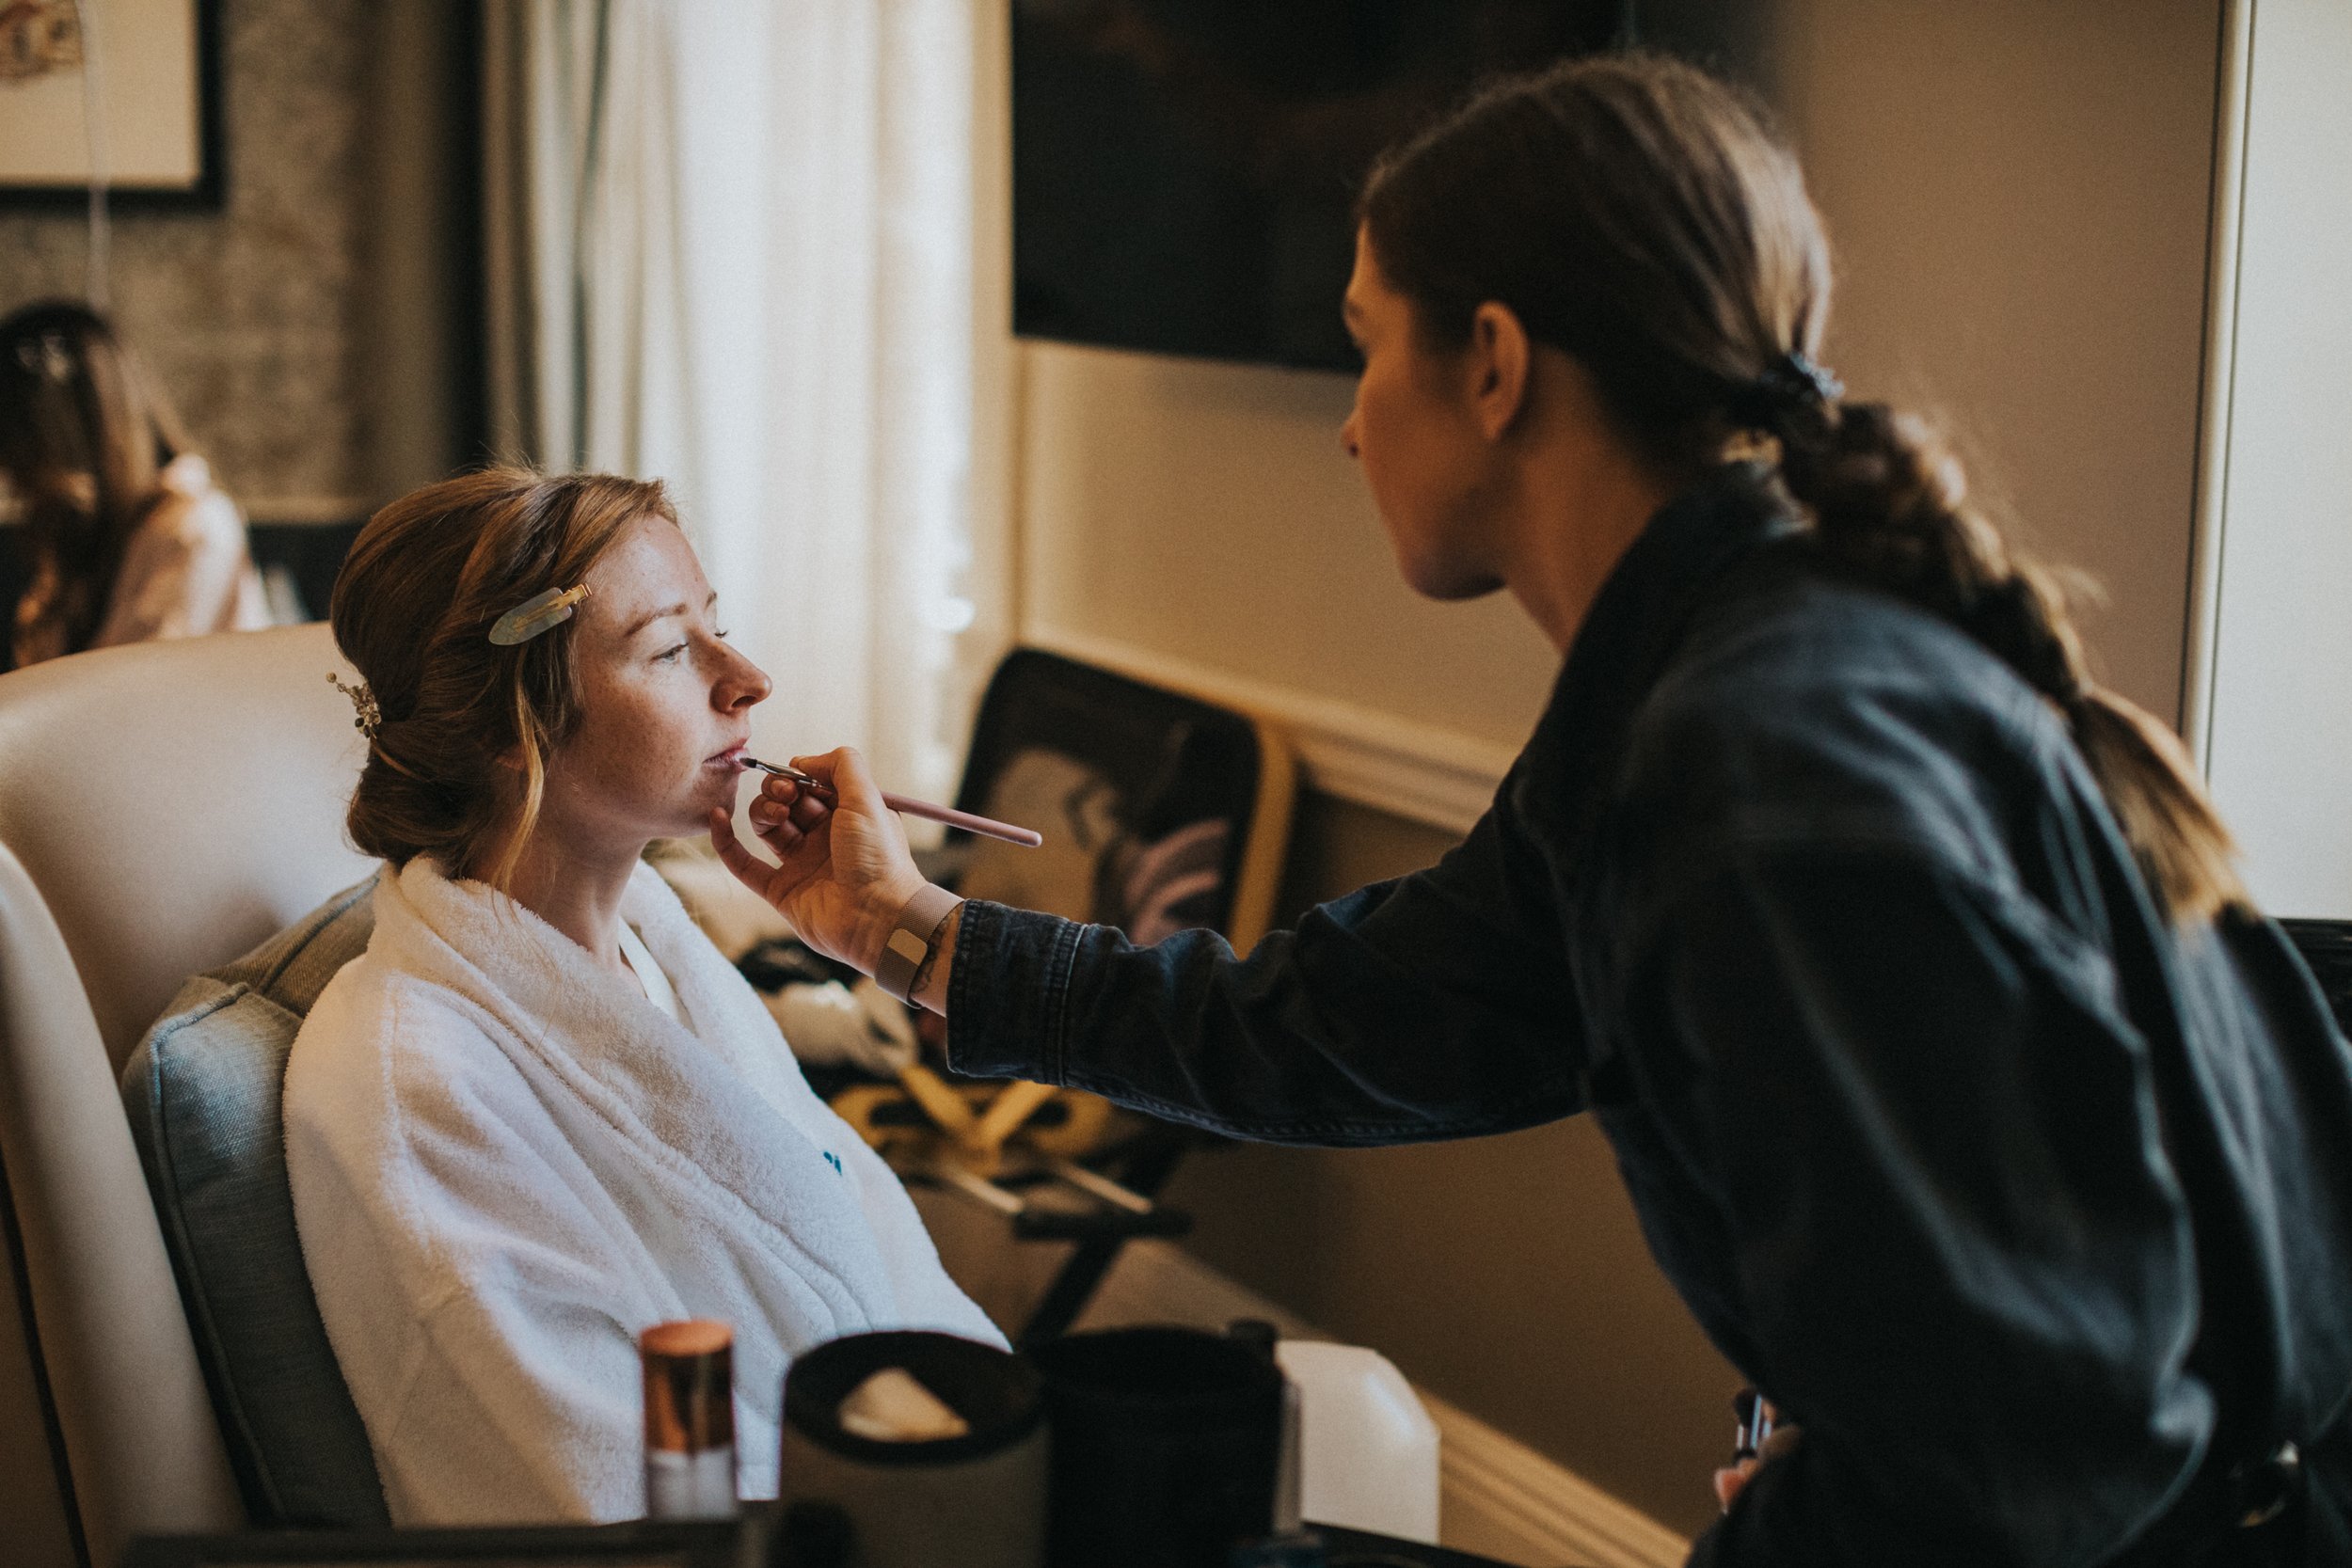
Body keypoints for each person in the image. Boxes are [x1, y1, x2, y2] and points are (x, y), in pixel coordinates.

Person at [713, 54, 2352, 1567]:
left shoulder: (1759, 767)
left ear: (1490, 363)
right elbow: (1348, 1021)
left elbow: (2031, 1448)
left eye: (1366, 339)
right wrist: (902, 927)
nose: (1352, 418)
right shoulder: (1696, 682)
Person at [282, 467, 998, 1526]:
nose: (747, 678)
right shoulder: (413, 1086)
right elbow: (590, 1486)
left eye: (718, 628)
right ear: (506, 722)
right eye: (671, 649)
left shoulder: (664, 956)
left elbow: (870, 1258)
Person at [0, 300, 268, 669]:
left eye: (23, 459)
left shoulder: (194, 528)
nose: (16, 483)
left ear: (66, 443)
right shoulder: (91, 542)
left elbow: (126, 699)